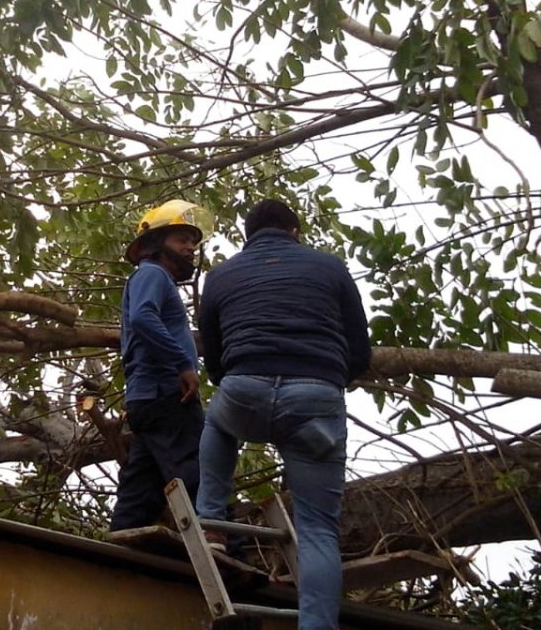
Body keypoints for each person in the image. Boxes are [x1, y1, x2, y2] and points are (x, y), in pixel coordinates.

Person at [195, 199, 371, 630]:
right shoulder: (331, 268)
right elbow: (359, 352)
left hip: (245, 391)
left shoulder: (220, 275)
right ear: (295, 231)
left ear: (247, 236)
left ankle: (214, 523)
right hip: (315, 400)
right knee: (317, 531)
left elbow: (214, 358)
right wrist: (328, 377)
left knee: (217, 420)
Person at [109, 199, 212, 532]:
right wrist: (183, 364)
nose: (190, 248)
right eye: (181, 239)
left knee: (140, 489)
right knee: (197, 472)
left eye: (193, 243)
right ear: (156, 243)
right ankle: (221, 542)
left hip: (147, 399)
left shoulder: (150, 277)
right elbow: (143, 318)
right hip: (167, 394)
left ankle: (117, 551)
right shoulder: (152, 273)